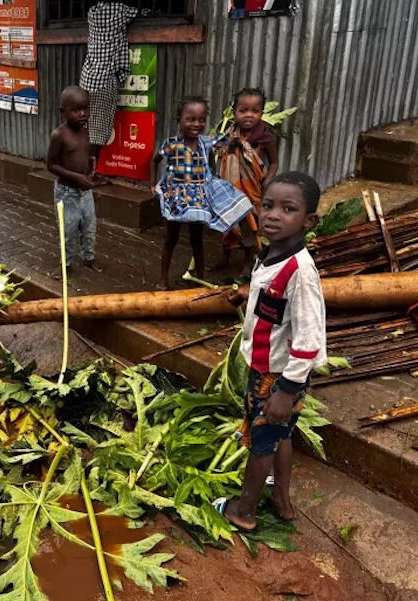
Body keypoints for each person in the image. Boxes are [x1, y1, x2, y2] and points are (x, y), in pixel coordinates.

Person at [221, 171, 326, 531]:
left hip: (279, 378)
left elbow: (310, 338)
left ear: (308, 221)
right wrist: (246, 294)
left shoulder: (300, 273)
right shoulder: (271, 254)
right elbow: (273, 303)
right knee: (279, 435)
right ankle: (282, 500)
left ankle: (244, 511)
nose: (273, 215)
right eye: (267, 206)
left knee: (262, 443)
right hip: (267, 371)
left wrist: (287, 390)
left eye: (288, 209)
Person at [151, 96, 252, 290]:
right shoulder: (171, 144)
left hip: (198, 200)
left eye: (201, 120)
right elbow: (154, 161)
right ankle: (163, 279)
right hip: (176, 198)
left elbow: (225, 142)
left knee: (197, 239)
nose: (196, 124)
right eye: (190, 119)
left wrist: (240, 120)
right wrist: (152, 184)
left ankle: (200, 278)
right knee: (171, 238)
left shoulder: (206, 143)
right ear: (179, 119)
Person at [215, 88, 280, 276]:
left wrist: (268, 181)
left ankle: (247, 261)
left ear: (261, 112)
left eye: (255, 111)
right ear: (234, 111)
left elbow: (274, 162)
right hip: (229, 191)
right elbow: (220, 155)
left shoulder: (264, 138)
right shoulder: (228, 134)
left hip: (252, 190)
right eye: (243, 110)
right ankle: (225, 258)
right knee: (227, 225)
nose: (249, 115)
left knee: (250, 226)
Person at [46, 86, 105, 273]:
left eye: (85, 109)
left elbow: (84, 154)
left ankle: (89, 258)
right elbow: (51, 165)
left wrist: (91, 163)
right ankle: (66, 265)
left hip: (85, 192)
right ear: (63, 111)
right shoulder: (59, 135)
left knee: (89, 227)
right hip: (67, 193)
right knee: (68, 231)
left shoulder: (85, 131)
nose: (82, 114)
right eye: (76, 110)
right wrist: (76, 176)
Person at [79, 0, 140, 160]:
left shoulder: (92, 12)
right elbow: (138, 12)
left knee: (86, 128)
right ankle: (88, 171)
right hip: (104, 80)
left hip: (87, 79)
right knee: (98, 133)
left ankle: (82, 166)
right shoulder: (119, 9)